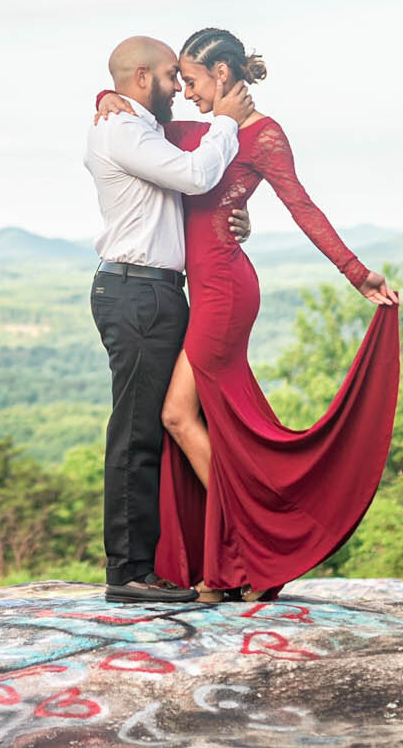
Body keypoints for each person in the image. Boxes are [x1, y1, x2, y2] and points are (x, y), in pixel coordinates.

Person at [94, 27, 401, 602]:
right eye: (176, 81)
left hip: (225, 292)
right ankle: (236, 559)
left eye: (190, 81)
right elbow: (137, 129)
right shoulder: (204, 131)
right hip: (199, 288)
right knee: (207, 423)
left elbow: (303, 206)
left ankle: (249, 551)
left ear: (223, 76)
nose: (183, 92)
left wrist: (357, 274)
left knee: (178, 417)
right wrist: (102, 99)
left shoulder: (261, 136)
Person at [83, 35, 257, 604]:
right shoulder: (124, 130)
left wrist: (241, 216)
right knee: (137, 432)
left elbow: (199, 192)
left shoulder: (136, 125)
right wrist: (227, 124)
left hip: (156, 292)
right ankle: (129, 573)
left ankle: (187, 560)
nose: (179, 92)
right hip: (136, 292)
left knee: (161, 426)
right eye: (167, 78)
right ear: (140, 79)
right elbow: (194, 176)